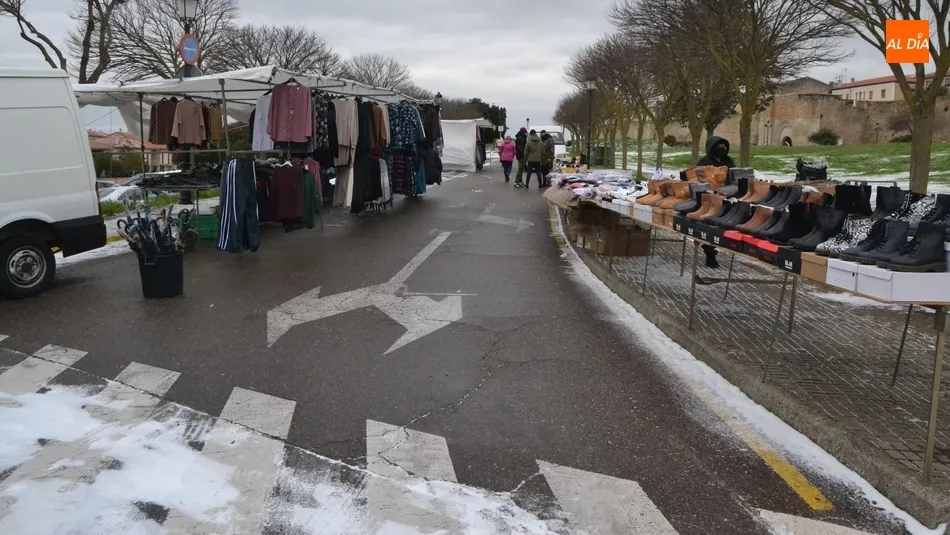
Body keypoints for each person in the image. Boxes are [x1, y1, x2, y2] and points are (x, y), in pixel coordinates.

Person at [695, 135, 736, 268]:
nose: (721, 149)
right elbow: (698, 181)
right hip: (708, 198)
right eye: (718, 146)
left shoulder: (729, 162)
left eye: (723, 146)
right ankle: (710, 253)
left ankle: (718, 246)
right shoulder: (704, 162)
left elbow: (734, 178)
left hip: (726, 197)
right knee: (708, 225)